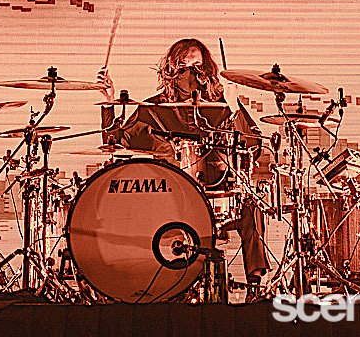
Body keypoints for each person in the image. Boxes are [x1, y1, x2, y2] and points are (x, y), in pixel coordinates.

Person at [97, 38, 269, 292]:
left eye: (196, 66)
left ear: (207, 68)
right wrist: (108, 102)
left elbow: (254, 145)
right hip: (170, 199)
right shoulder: (155, 108)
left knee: (251, 208)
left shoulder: (222, 103)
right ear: (170, 70)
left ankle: (255, 287)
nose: (190, 74)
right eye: (183, 66)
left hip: (218, 196)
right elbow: (115, 142)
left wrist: (234, 107)